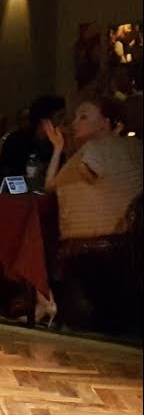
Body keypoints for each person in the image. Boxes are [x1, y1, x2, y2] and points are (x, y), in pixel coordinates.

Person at [42, 96, 143, 331]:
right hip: (131, 245)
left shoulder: (96, 150)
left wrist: (58, 150)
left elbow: (51, 187)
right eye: (75, 116)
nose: (75, 122)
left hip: (95, 247)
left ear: (105, 123)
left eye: (84, 116)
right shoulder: (133, 146)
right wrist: (59, 148)